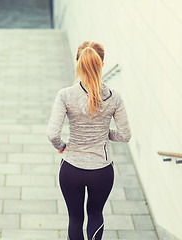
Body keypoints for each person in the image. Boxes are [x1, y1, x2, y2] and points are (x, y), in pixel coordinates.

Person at [47, 41, 131, 240]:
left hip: (71, 169)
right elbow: (125, 135)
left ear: (78, 63)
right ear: (102, 64)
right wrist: (103, 133)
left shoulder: (65, 95)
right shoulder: (115, 97)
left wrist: (62, 147)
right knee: (95, 213)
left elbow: (53, 134)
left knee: (75, 218)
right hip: (102, 171)